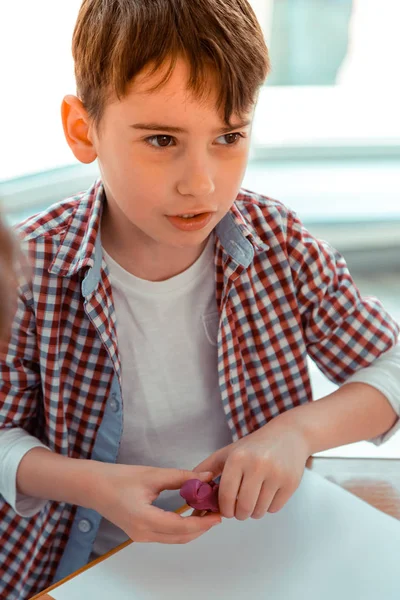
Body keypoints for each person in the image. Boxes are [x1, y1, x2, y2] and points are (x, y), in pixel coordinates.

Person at [1, 1, 400, 598]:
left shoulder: (278, 244)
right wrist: (95, 486)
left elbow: (391, 365)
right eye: (162, 139)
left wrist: (297, 433)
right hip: (82, 565)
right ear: (84, 130)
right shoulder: (30, 267)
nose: (202, 183)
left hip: (260, 550)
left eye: (228, 137)